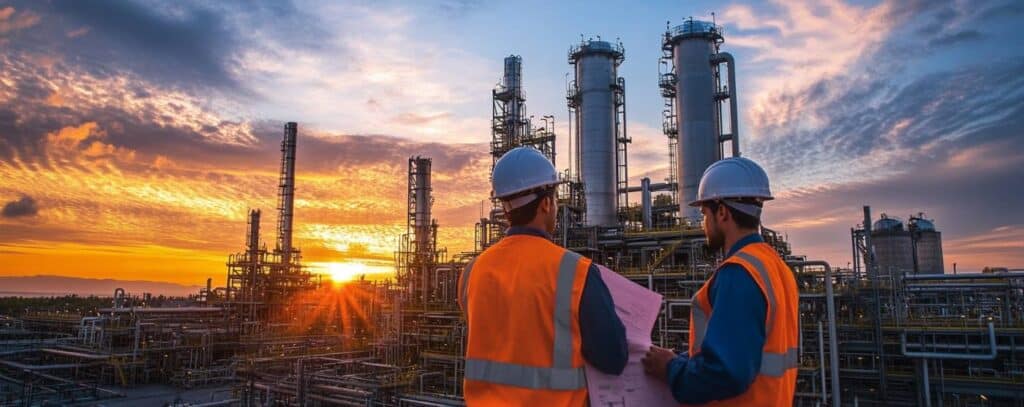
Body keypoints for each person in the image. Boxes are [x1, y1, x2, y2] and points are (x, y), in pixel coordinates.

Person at [459, 146, 628, 406]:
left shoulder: (473, 271)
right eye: (556, 199)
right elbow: (614, 358)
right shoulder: (576, 272)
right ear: (547, 203)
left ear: (505, 208)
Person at [641, 157, 799, 406]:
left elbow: (725, 373)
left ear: (722, 213)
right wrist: (682, 360)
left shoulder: (739, 273)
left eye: (704, 214)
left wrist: (671, 368)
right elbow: (745, 350)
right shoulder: (775, 267)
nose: (703, 223)